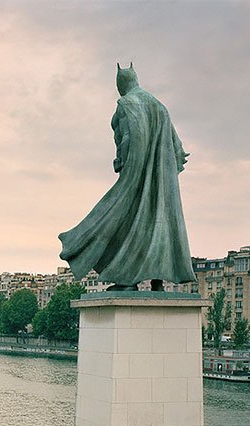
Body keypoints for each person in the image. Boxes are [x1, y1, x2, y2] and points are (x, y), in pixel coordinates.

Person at [58, 63, 196, 290]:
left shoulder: (127, 104)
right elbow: (176, 145)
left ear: (120, 84)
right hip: (162, 178)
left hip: (137, 172)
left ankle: (125, 276)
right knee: (158, 221)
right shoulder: (159, 107)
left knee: (122, 217)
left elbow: (127, 137)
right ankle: (157, 281)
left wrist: (121, 161)